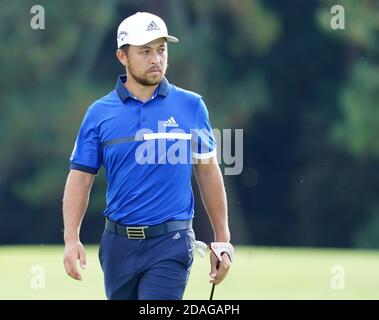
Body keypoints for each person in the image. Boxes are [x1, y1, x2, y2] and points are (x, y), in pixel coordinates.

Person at [63, 12, 233, 300]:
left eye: (161, 49)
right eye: (145, 51)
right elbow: (80, 178)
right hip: (117, 246)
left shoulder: (191, 106)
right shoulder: (99, 113)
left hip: (172, 242)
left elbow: (207, 171)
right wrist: (71, 239)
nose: (156, 58)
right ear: (122, 56)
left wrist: (223, 239)